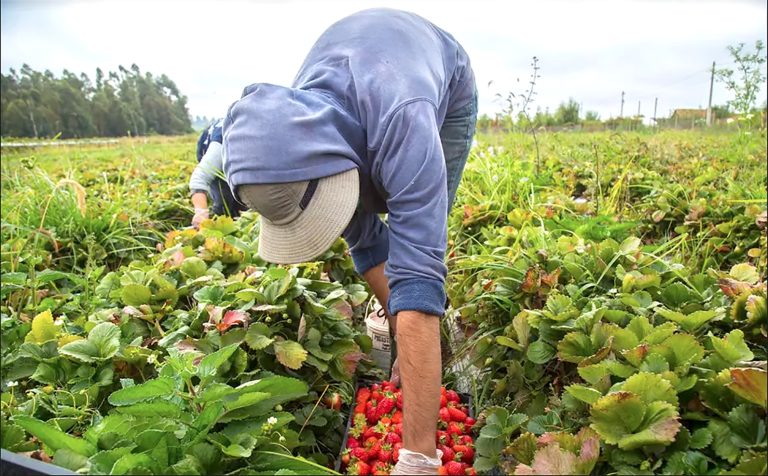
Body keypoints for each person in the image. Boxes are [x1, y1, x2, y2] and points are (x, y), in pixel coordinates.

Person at [223, 8, 476, 474]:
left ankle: (435, 345)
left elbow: (416, 279)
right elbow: (362, 239)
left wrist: (418, 457)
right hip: (368, 100)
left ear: (333, 166)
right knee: (368, 229)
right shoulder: (294, 127)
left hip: (438, 91)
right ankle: (416, 349)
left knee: (421, 233)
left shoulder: (406, 119)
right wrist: (403, 344)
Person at [189, 118, 247, 228]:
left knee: (247, 208)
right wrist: (201, 213)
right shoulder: (222, 145)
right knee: (224, 207)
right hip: (218, 166)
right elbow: (199, 179)